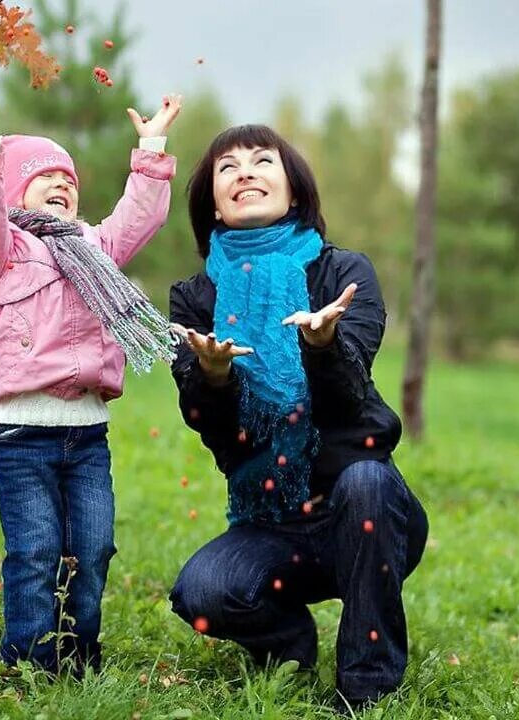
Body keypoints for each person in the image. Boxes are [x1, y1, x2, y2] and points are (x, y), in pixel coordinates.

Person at [167, 124, 428, 710]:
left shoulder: (343, 275)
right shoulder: (194, 297)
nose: (246, 173)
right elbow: (211, 428)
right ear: (213, 199)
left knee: (365, 481)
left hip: (363, 512)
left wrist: (323, 345)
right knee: (202, 595)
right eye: (227, 168)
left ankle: (367, 687)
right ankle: (290, 644)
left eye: (263, 161)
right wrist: (211, 378)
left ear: (294, 188)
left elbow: (348, 401)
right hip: (271, 523)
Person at [0, 75, 181, 676]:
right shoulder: (0, 252)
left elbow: (138, 218)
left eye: (69, 180)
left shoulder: (94, 248)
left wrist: (151, 153)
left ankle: (79, 654)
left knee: (92, 548)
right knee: (35, 550)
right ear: (12, 191)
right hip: (19, 434)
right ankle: (31, 662)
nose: (61, 184)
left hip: (86, 434)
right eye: (44, 175)